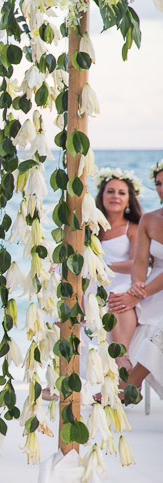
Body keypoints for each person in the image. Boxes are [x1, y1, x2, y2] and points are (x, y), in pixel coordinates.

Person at [112, 163, 163, 399]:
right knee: (119, 301)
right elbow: (140, 261)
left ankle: (130, 385)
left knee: (154, 323)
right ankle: (123, 369)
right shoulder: (149, 219)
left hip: (157, 287)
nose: (162, 188)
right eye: (159, 184)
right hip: (152, 283)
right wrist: (136, 284)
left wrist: (139, 294)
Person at [93, 170, 142, 380]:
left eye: (121, 193)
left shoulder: (133, 228)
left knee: (117, 297)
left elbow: (136, 263)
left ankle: (122, 361)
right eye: (110, 191)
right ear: (101, 196)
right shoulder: (91, 227)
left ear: (129, 199)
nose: (115, 196)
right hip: (94, 286)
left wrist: (104, 265)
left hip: (120, 284)